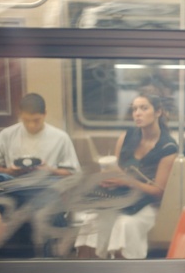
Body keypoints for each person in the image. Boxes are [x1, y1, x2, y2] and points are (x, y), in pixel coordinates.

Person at [75, 91, 178, 259]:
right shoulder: (126, 137)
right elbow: (119, 170)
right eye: (135, 109)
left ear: (158, 112)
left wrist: (128, 182)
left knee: (124, 224)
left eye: (144, 108)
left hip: (147, 204)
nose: (137, 113)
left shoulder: (167, 148)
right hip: (122, 198)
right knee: (92, 220)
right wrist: (111, 178)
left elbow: (158, 192)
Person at [0, 93, 80, 179]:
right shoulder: (6, 135)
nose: (31, 125)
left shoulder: (61, 138)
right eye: (26, 120)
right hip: (13, 188)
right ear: (20, 114)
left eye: (36, 120)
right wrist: (9, 171)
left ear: (45, 114)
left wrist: (50, 171)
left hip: (48, 189)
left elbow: (73, 173)